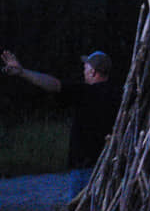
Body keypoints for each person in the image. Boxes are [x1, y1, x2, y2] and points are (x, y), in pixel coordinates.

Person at [1, 50, 122, 199]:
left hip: (84, 168)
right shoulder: (119, 94)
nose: (83, 70)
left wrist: (22, 72)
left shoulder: (83, 92)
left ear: (93, 72)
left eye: (86, 67)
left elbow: (54, 84)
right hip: (109, 164)